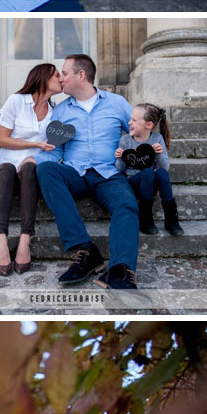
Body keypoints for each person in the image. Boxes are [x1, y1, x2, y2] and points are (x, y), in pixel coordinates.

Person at [35, 53, 139, 291]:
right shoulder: (60, 111)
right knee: (46, 169)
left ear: (81, 75)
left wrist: (146, 158)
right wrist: (33, 159)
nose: (60, 78)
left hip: (108, 174)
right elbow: (54, 150)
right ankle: (86, 250)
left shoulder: (117, 103)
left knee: (126, 205)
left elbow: (137, 134)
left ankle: (121, 270)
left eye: (64, 73)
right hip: (75, 173)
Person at [0, 64, 73, 278]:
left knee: (30, 167)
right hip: (4, 168)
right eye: (57, 75)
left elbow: (55, 149)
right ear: (43, 77)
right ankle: (0, 239)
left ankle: (25, 240)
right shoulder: (16, 101)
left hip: (29, 170)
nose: (61, 79)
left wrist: (36, 156)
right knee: (9, 169)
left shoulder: (56, 113)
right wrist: (36, 146)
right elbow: (2, 140)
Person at [115, 103, 184, 236]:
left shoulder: (157, 139)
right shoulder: (125, 140)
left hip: (151, 184)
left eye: (134, 120)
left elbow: (165, 167)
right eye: (131, 119)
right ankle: (145, 219)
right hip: (134, 184)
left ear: (148, 125)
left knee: (162, 173)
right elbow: (119, 170)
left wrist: (158, 154)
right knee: (147, 172)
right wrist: (120, 158)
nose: (129, 122)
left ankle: (171, 220)